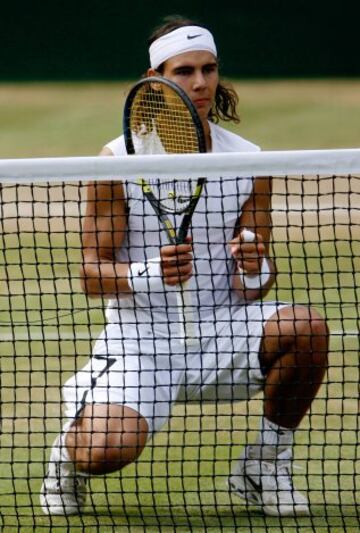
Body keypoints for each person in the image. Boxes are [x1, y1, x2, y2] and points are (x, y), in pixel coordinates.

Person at [40, 15, 328, 517]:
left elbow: (254, 286)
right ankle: (66, 455)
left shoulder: (248, 161)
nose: (200, 83)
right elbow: (91, 274)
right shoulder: (118, 160)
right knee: (104, 452)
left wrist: (255, 267)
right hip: (140, 345)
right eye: (184, 71)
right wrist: (150, 272)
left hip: (221, 332)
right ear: (155, 78)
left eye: (209, 69)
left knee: (306, 328)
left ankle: (266, 463)